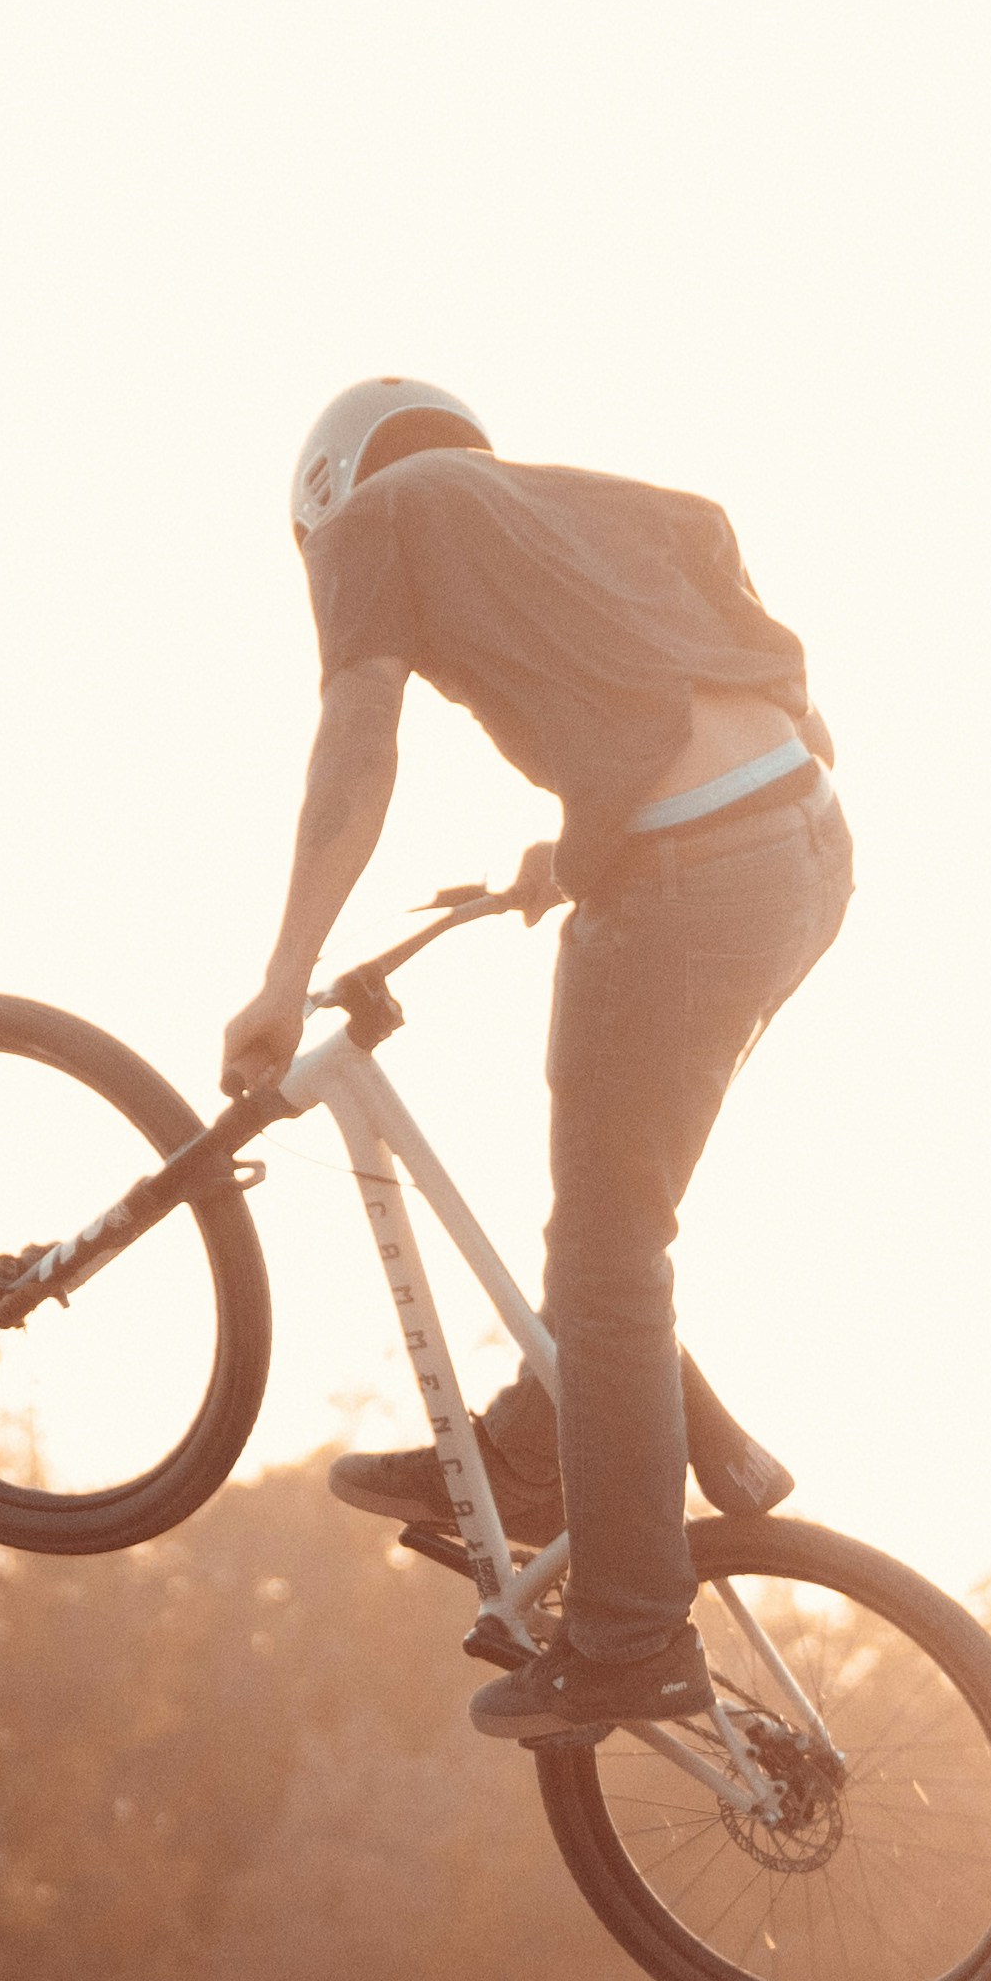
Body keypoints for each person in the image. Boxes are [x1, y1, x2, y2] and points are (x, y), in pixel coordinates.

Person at [223, 376, 854, 1744]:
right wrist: (578, 853)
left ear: (324, 500)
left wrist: (283, 979)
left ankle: (632, 1637)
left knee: (611, 1252)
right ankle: (546, 1444)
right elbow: (752, 712)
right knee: (621, 1216)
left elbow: (358, 739)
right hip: (807, 849)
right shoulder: (614, 511)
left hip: (698, 874)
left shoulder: (369, 524)